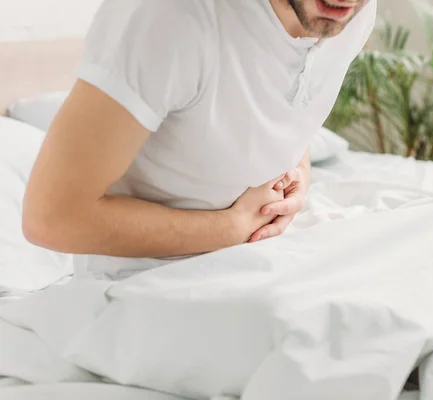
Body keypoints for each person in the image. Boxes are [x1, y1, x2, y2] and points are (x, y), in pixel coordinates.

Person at [22, 0, 377, 279]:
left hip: (272, 253)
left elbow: (287, 104)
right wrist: (231, 226)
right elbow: (50, 217)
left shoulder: (350, 16)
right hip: (150, 281)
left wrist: (297, 175)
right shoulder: (169, 16)